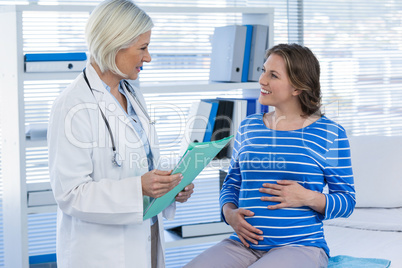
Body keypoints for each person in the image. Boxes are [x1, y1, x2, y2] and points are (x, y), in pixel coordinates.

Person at [47, 1, 194, 267]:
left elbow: (139, 163)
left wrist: (169, 186)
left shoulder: (132, 93)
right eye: (142, 48)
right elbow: (70, 194)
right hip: (102, 252)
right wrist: (138, 187)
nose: (148, 57)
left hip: (146, 234)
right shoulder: (72, 104)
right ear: (114, 44)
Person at [184, 43, 356, 268]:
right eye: (263, 71)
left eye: (273, 75)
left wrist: (306, 197)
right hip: (243, 245)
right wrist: (230, 214)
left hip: (300, 246)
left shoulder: (330, 133)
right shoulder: (249, 127)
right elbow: (232, 185)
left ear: (297, 88)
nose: (262, 80)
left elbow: (347, 200)